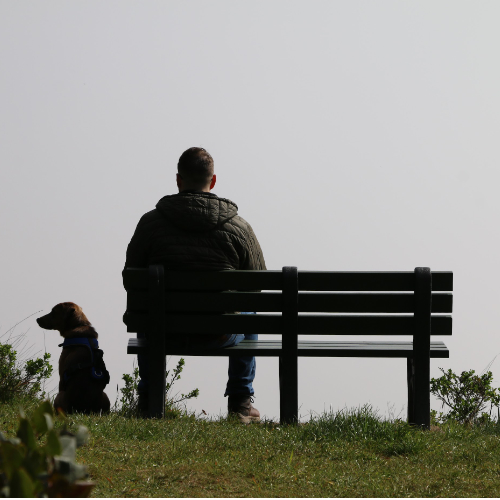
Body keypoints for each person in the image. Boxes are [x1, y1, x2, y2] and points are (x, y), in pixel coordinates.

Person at [123, 147, 266, 423]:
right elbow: (257, 286)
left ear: (178, 180)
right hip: (220, 333)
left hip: (165, 330)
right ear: (212, 182)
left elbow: (132, 279)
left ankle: (149, 398)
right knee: (250, 311)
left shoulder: (150, 224)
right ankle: (240, 402)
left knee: (147, 307)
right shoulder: (239, 228)